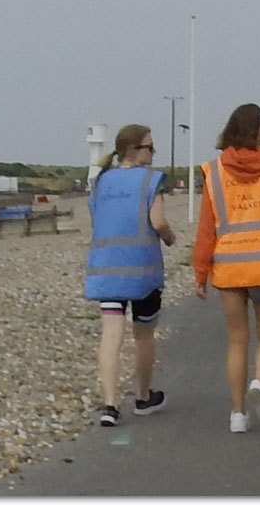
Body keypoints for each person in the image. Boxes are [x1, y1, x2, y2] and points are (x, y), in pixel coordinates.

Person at [194, 104, 260, 433]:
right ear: (258, 130)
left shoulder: (214, 171)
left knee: (237, 340)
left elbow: (206, 228)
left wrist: (200, 272)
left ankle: (238, 414)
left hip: (228, 266)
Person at [84, 124, 176, 428]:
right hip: (142, 272)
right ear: (135, 150)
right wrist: (169, 237)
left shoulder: (101, 182)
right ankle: (143, 396)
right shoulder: (151, 180)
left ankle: (109, 404)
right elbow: (158, 220)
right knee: (144, 334)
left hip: (107, 270)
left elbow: (98, 219)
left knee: (111, 334)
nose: (153, 152)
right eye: (150, 147)